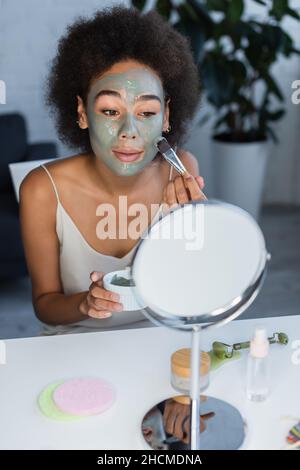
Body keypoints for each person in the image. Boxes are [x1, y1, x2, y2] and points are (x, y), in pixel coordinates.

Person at [19, 5, 205, 335]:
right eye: (109, 110)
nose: (128, 131)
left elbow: (194, 287)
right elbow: (45, 305)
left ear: (165, 117)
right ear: (82, 112)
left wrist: (197, 228)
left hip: (159, 340)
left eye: (146, 112)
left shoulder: (182, 170)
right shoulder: (42, 190)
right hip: (73, 347)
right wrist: (84, 304)